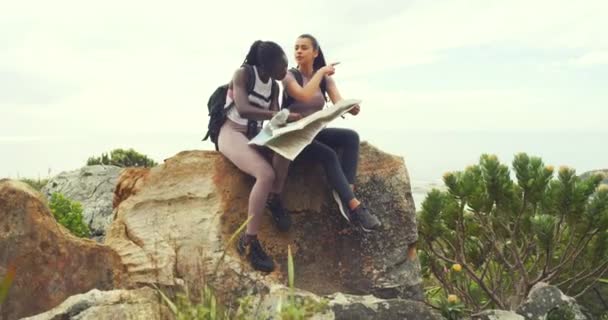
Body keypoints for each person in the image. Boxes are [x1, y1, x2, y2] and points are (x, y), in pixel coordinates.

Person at [273, 34, 381, 233]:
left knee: (351, 137)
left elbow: (338, 102)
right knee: (328, 155)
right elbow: (304, 96)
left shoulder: (325, 80)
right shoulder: (289, 76)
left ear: (315, 52)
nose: (298, 51)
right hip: (292, 138)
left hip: (312, 134)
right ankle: (355, 207)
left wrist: (350, 108)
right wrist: (322, 70)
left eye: (304, 48)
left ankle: (346, 192)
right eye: (296, 47)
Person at [217, 40, 301, 272]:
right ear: (267, 66)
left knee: (284, 149)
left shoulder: (274, 87)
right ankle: (249, 240)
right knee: (264, 173)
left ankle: (274, 198)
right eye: (282, 68)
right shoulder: (243, 74)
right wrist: (280, 114)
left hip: (255, 134)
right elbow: (243, 108)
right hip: (231, 132)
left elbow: (272, 120)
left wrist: (290, 125)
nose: (285, 72)